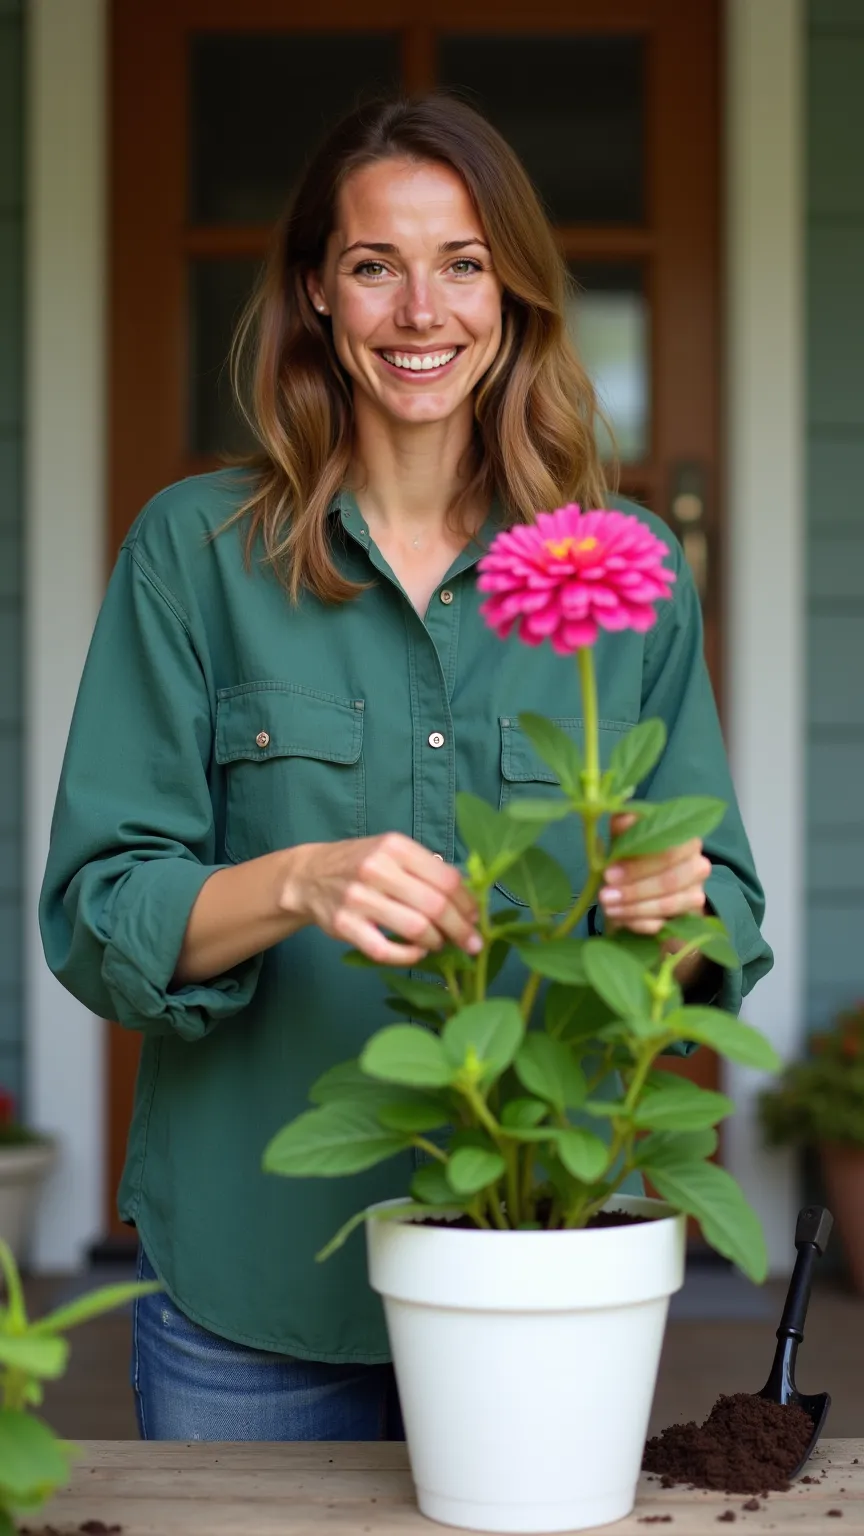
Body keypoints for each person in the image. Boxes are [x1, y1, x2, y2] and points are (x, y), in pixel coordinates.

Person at [39, 94, 773, 1442]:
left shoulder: (614, 578)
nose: (420, 311)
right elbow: (100, 914)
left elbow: (721, 901)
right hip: (257, 1292)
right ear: (319, 290)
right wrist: (299, 880)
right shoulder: (193, 555)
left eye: (464, 264)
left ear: (517, 295)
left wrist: (674, 912)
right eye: (376, 265)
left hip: (540, 1273)